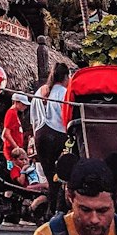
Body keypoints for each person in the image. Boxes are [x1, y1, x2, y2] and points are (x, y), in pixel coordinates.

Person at [32, 62, 72, 213]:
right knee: (61, 176)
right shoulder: (64, 93)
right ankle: (57, 209)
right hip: (58, 135)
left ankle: (50, 209)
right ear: (66, 77)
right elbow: (67, 118)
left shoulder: (39, 92)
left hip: (40, 136)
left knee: (50, 177)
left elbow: (34, 119)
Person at [3, 91, 31, 160]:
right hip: (13, 153)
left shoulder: (15, 114)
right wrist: (17, 148)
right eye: (23, 104)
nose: (25, 107)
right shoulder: (11, 113)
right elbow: (6, 133)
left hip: (15, 151)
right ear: (16, 102)